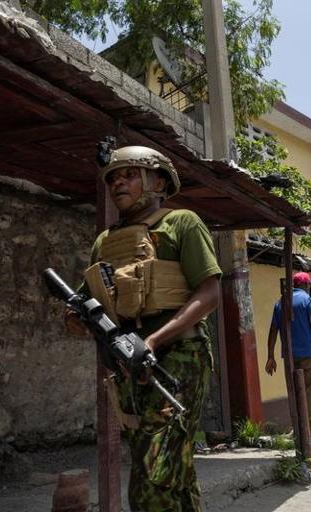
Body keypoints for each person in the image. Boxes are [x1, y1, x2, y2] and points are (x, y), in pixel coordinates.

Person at [64, 146, 221, 511]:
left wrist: (153, 340)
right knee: (169, 473)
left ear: (159, 181)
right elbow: (92, 302)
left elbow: (210, 293)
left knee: (154, 475)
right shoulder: (105, 241)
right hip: (128, 364)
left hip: (178, 357)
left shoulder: (181, 222)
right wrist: (75, 318)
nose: (119, 182)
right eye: (114, 178)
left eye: (130, 174)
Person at [265, 271, 311, 448]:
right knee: (308, 395)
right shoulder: (309, 301)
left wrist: (270, 356)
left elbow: (273, 330)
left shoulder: (280, 302)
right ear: (306, 285)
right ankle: (308, 437)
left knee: (295, 395)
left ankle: (304, 434)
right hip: (309, 355)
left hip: (290, 358)